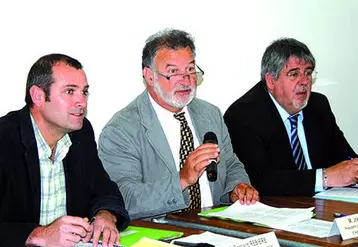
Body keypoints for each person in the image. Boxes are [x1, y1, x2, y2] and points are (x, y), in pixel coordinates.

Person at [98, 28, 259, 220]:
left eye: (190, 69)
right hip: (163, 232)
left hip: (217, 225)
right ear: (149, 76)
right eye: (173, 72)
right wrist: (182, 179)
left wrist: (237, 187)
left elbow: (231, 164)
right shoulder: (121, 130)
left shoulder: (210, 114)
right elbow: (125, 199)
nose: (186, 81)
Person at [0, 54, 129, 247]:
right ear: (38, 96)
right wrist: (38, 235)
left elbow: (104, 188)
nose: (82, 103)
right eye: (70, 92)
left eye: (84, 92)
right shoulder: (5, 138)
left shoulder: (81, 133)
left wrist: (105, 215)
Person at [224, 38, 358, 196]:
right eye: (294, 74)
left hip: (324, 203)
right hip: (278, 209)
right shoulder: (244, 115)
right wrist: (324, 178)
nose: (304, 82)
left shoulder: (318, 105)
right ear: (271, 80)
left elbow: (345, 156)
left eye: (308, 73)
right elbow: (259, 180)